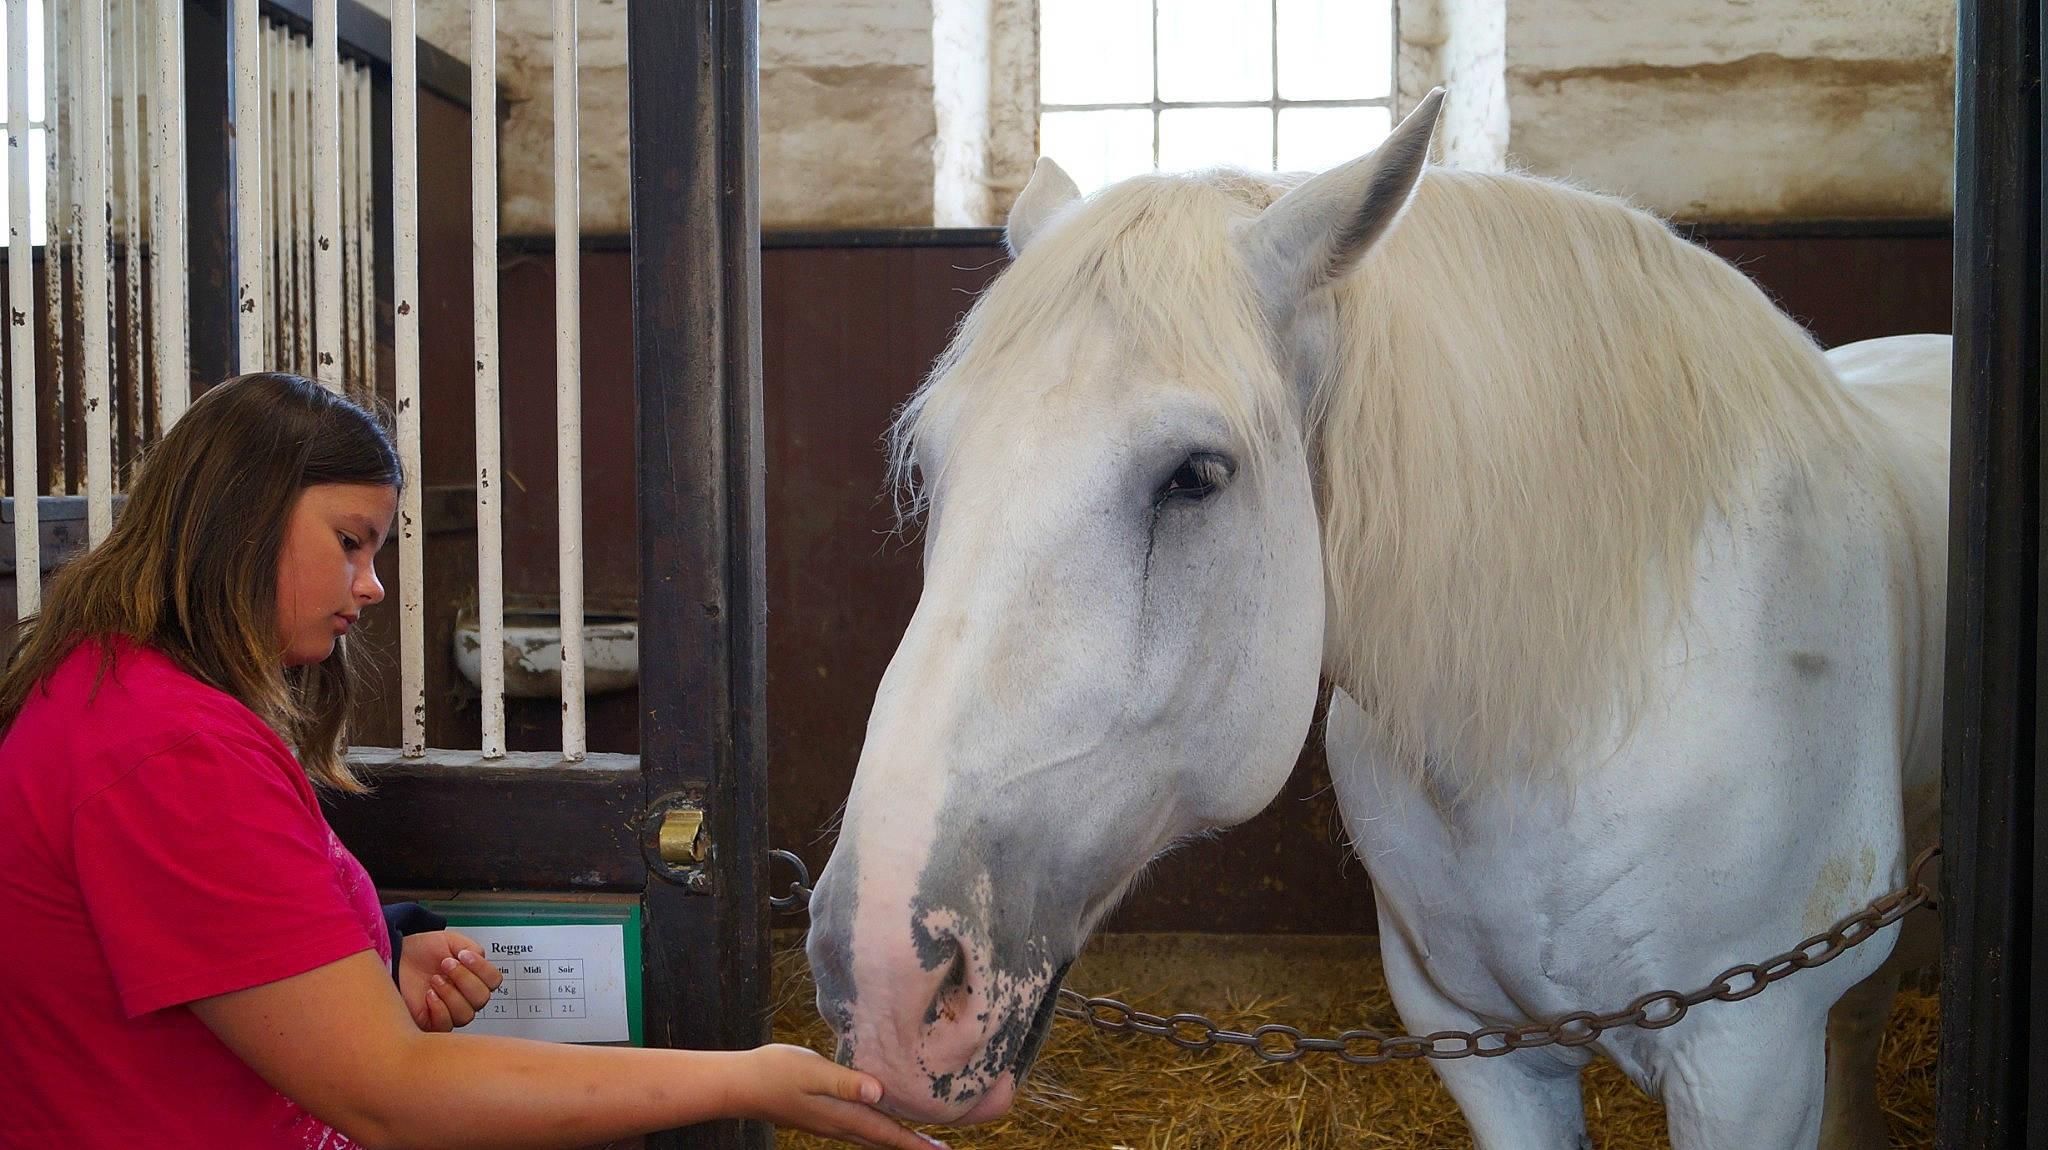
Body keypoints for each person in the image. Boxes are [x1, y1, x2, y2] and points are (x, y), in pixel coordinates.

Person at [0, 373, 943, 1150]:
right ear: (240, 520)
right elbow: (392, 1093)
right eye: (350, 543)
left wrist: (378, 954)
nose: (370, 586)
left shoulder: (115, 692)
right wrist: (747, 1080)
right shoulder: (170, 749)